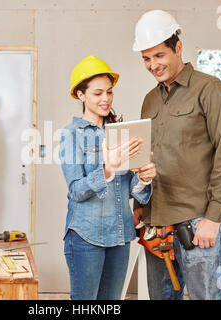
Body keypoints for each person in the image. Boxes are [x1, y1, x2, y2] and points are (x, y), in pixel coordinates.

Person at [131, 10, 221, 300]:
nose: (152, 65)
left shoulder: (212, 91)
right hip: (158, 224)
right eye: (146, 58)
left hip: (198, 223)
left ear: (178, 48)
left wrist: (214, 218)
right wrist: (141, 206)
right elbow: (148, 157)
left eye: (158, 55)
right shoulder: (150, 100)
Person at [59, 55, 157, 300]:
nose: (106, 99)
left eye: (109, 92)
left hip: (121, 235)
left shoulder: (121, 133)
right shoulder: (71, 135)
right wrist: (107, 169)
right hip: (85, 236)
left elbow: (132, 190)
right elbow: (77, 191)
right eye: (97, 93)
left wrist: (144, 177)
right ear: (81, 95)